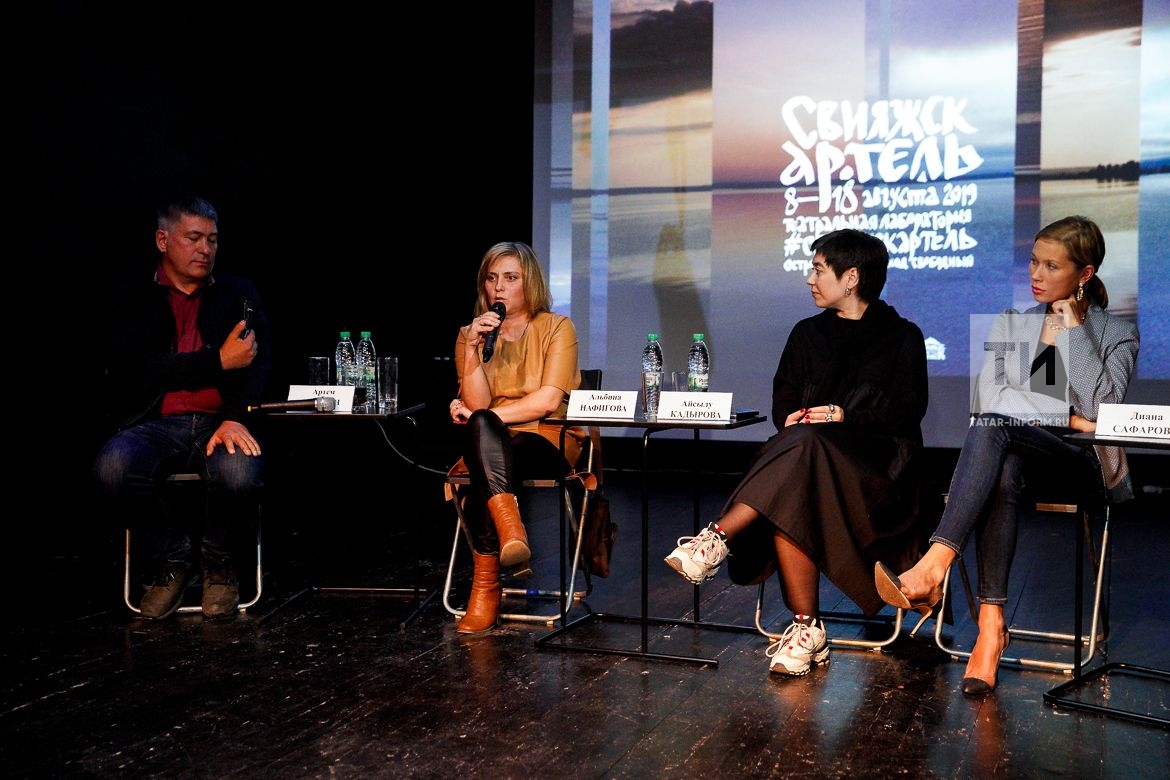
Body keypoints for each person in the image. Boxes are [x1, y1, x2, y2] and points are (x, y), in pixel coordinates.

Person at [874, 215, 1139, 695]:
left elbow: (1104, 411)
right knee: (998, 447)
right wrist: (1069, 415)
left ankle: (935, 566)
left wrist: (1071, 332)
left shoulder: (1116, 332)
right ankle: (991, 628)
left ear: (1084, 273)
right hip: (1017, 461)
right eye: (1033, 262)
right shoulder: (1012, 322)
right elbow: (992, 400)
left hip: (1080, 466)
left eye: (1051, 266)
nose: (1036, 274)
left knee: (995, 431)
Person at [663, 228, 929, 675]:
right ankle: (806, 630)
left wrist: (843, 416)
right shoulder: (807, 333)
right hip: (809, 463)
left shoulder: (902, 336)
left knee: (801, 458)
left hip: (876, 475)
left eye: (819, 270)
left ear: (851, 278)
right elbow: (782, 400)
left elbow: (908, 411)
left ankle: (718, 538)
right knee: (799, 467)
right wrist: (793, 417)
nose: (810, 279)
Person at [92, 195, 270, 620]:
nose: (205, 249)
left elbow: (258, 364)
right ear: (162, 240)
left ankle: (219, 564)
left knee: (238, 471)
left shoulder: (237, 293)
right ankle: (174, 559)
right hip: (154, 423)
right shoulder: (134, 296)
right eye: (193, 238)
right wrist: (217, 361)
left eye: (212, 239)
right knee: (113, 468)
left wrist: (235, 417)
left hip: (219, 421)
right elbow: (138, 371)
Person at [447, 240, 583, 634]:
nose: (499, 287)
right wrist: (471, 350)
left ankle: (485, 586)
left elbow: (547, 401)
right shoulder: (470, 334)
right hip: (492, 440)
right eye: (492, 279)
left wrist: (484, 417)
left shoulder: (557, 327)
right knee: (484, 442)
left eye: (510, 278)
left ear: (530, 283)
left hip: (547, 436)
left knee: (482, 450)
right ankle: (511, 533)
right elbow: (477, 402)